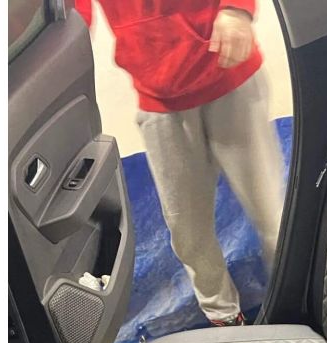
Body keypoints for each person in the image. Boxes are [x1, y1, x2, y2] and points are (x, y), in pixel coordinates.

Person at [76, 1, 285, 326]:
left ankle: (295, 302)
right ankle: (225, 319)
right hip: (159, 99)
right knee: (188, 233)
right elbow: (69, 18)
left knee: (272, 214)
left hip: (230, 76)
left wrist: (237, 9)